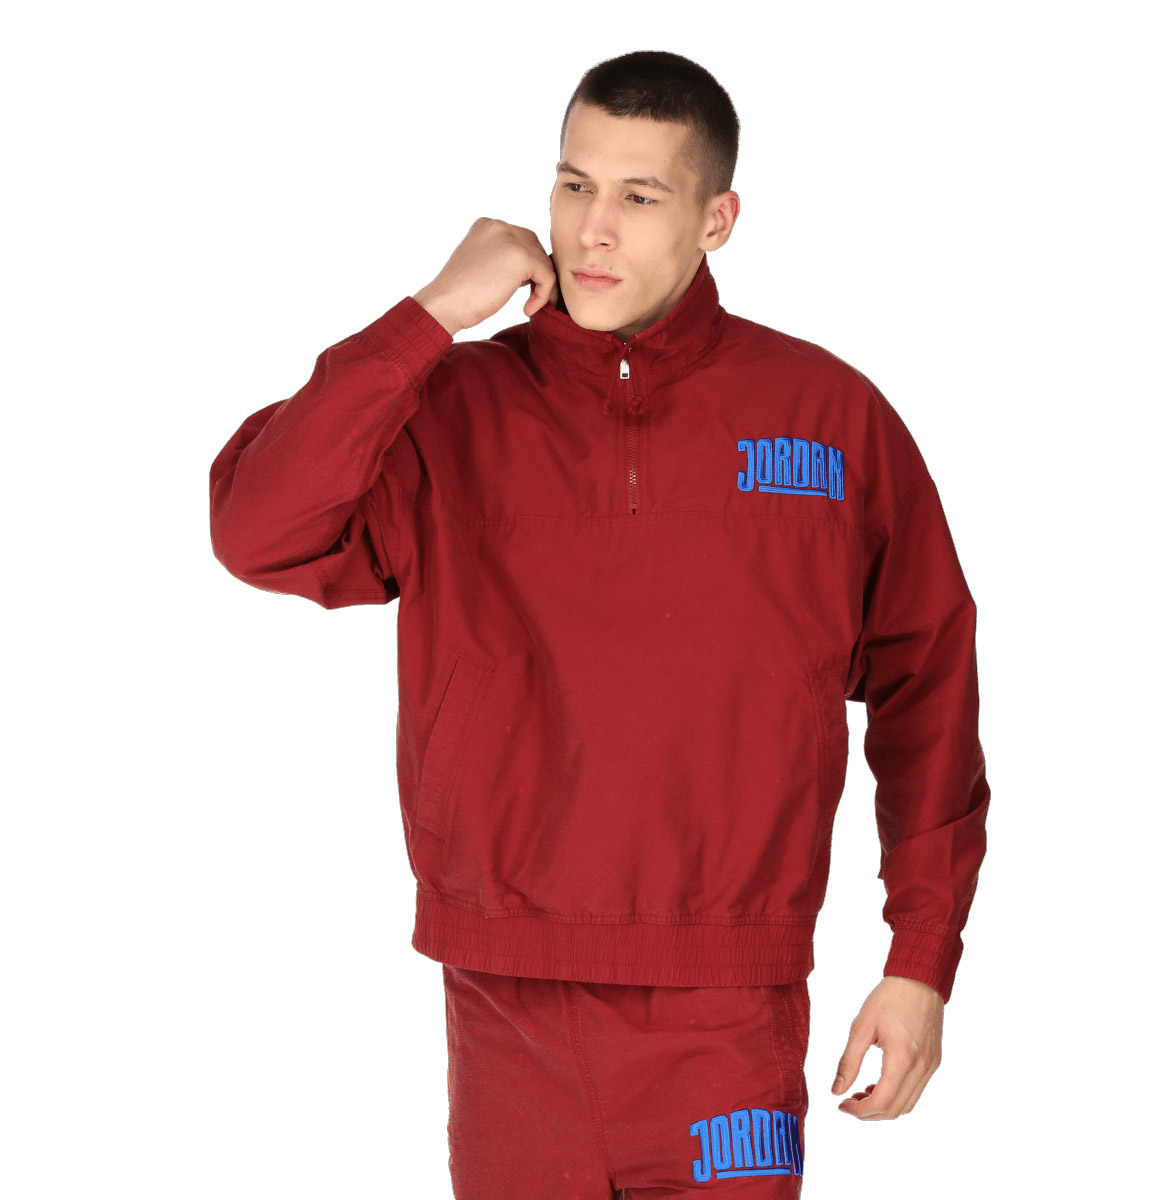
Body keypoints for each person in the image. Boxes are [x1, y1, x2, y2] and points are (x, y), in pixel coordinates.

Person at [209, 49, 989, 1200]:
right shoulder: (451, 408)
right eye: (573, 185)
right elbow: (256, 529)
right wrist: (430, 317)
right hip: (507, 996)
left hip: (728, 1003)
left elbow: (931, 687)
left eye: (640, 195)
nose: (593, 229)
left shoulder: (829, 421)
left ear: (717, 220)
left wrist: (920, 957)